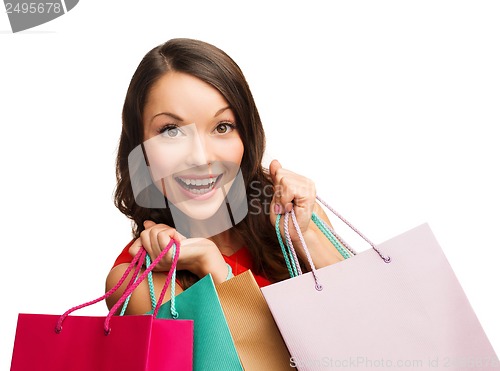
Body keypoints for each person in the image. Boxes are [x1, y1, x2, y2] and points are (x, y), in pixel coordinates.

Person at [105, 38, 345, 314]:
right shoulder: (138, 280)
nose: (201, 157)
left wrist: (307, 238)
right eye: (171, 130)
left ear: (245, 134)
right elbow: (269, 356)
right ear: (140, 149)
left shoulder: (295, 217)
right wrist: (213, 267)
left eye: (222, 127)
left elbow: (376, 315)